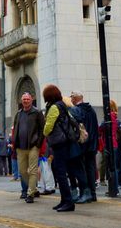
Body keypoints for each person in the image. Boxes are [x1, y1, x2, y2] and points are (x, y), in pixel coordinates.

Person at [43, 84, 76, 213]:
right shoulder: (62, 105)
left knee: (60, 172)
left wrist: (44, 133)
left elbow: (48, 126)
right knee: (59, 170)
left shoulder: (54, 107)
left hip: (59, 142)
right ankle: (64, 200)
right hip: (64, 141)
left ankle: (68, 202)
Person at [12, 91, 44, 204]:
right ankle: (34, 189)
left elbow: (42, 129)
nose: (25, 101)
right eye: (24, 99)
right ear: (21, 101)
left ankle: (30, 194)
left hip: (33, 146)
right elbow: (15, 128)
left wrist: (38, 143)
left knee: (33, 170)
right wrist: (14, 143)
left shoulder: (37, 112)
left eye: (27, 99)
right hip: (20, 147)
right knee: (22, 171)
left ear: (31, 100)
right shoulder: (19, 113)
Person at [70, 91, 99, 202]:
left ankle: (84, 193)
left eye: (71, 97)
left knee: (82, 170)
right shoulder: (91, 110)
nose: (70, 99)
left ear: (75, 98)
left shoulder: (76, 110)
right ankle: (92, 193)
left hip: (82, 144)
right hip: (92, 145)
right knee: (91, 169)